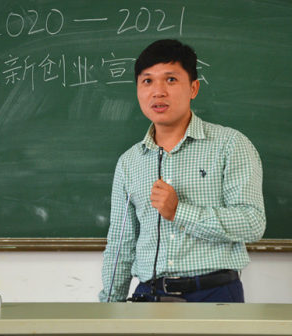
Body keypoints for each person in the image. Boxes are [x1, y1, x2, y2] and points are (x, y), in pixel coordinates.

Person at [99, 39, 265, 303]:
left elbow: (252, 223)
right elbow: (121, 246)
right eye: (147, 81)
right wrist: (108, 307)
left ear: (193, 88)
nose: (158, 92)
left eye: (171, 80)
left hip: (215, 294)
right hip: (149, 296)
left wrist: (179, 212)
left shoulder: (230, 145)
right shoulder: (129, 162)